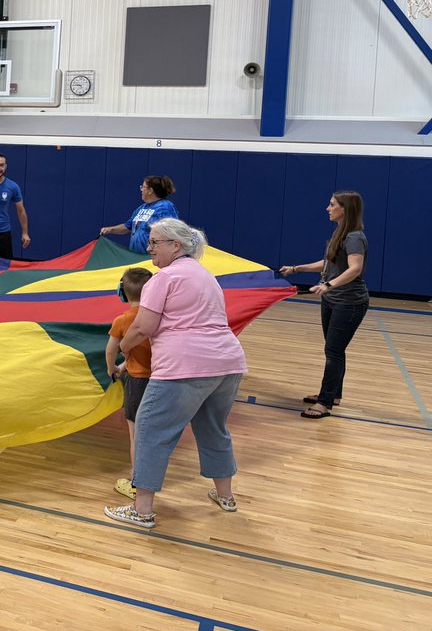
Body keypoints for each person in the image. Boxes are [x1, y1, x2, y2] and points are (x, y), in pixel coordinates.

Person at [104, 218, 247, 530]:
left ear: (176, 245)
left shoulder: (163, 279)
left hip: (184, 368)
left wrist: (126, 350)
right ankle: (226, 496)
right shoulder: (208, 277)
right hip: (228, 364)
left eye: (155, 242)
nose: (148, 247)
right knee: (213, 429)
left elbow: (143, 326)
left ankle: (141, 510)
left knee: (150, 431)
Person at [280, 191, 368, 419]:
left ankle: (324, 402)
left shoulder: (355, 237)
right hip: (332, 300)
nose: (327, 208)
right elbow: (327, 263)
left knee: (334, 351)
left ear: (344, 209)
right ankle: (334, 394)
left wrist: (329, 285)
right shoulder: (340, 233)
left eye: (332, 205)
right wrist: (297, 268)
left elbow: (355, 268)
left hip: (349, 302)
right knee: (334, 349)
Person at [104, 266, 154, 500]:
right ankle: (151, 475)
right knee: (152, 432)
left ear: (123, 292)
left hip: (138, 383)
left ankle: (137, 481)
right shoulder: (156, 317)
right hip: (160, 380)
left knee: (136, 435)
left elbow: (111, 349)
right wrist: (125, 365)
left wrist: (112, 368)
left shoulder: (123, 320)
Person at [100, 175, 179, 253]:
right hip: (136, 257)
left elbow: (171, 232)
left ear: (150, 191)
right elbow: (128, 226)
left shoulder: (165, 207)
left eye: (143, 187)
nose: (141, 190)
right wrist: (110, 230)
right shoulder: (141, 208)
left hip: (151, 258)